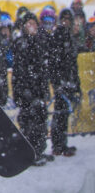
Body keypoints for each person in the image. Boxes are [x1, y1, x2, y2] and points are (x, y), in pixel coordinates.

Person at [12, 12, 52, 165]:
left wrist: (44, 90)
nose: (32, 26)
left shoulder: (39, 41)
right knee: (29, 124)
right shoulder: (21, 43)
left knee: (41, 122)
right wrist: (24, 92)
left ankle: (39, 150)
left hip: (38, 90)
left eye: (34, 23)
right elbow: (19, 71)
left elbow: (42, 68)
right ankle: (30, 153)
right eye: (29, 23)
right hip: (27, 92)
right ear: (23, 26)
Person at [49, 9, 80, 158]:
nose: (66, 21)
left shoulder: (69, 36)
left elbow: (73, 63)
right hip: (61, 80)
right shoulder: (58, 35)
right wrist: (57, 82)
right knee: (60, 114)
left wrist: (76, 83)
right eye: (64, 18)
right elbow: (54, 62)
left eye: (69, 19)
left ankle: (62, 143)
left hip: (68, 79)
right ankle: (58, 145)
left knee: (64, 114)